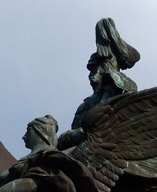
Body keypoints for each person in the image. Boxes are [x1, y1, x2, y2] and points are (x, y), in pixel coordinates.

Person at [58, 18, 140, 150]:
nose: (91, 76)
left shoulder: (121, 86)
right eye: (91, 71)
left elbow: (104, 127)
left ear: (104, 69)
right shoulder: (85, 105)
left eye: (95, 69)